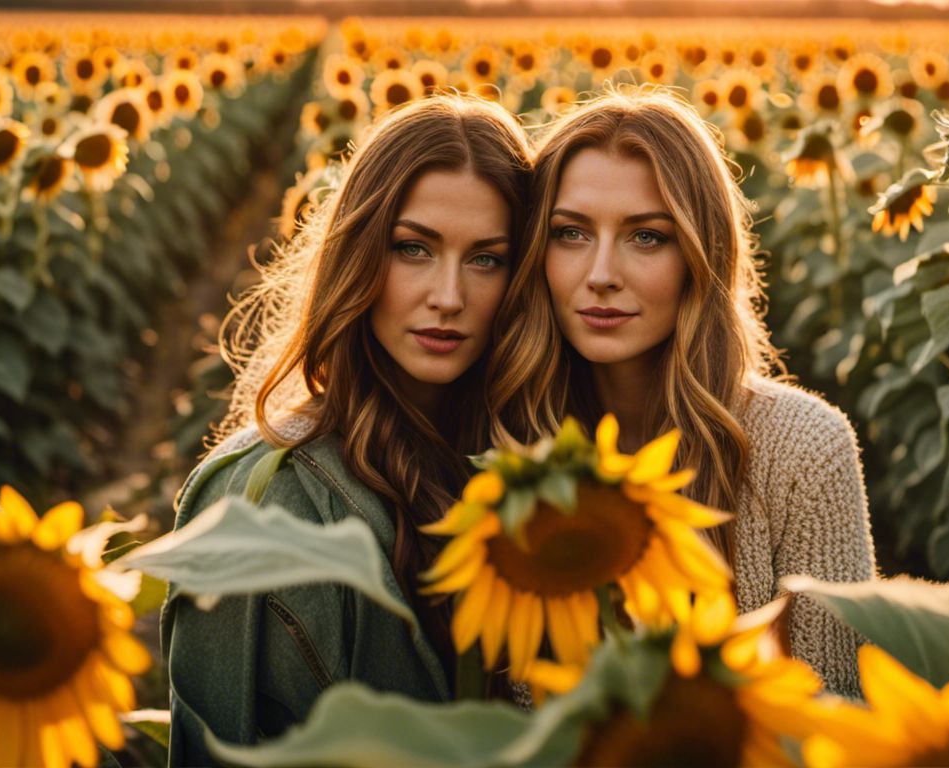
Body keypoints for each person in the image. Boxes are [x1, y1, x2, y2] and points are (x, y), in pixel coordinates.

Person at [162, 94, 532, 765]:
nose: (447, 295)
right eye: (413, 248)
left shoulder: (537, 471)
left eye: (487, 259)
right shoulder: (259, 500)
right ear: (360, 254)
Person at [487, 86, 876, 696]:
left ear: (702, 253)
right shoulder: (508, 445)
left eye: (647, 236)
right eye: (571, 234)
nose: (601, 276)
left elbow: (839, 712)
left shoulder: (801, 452)